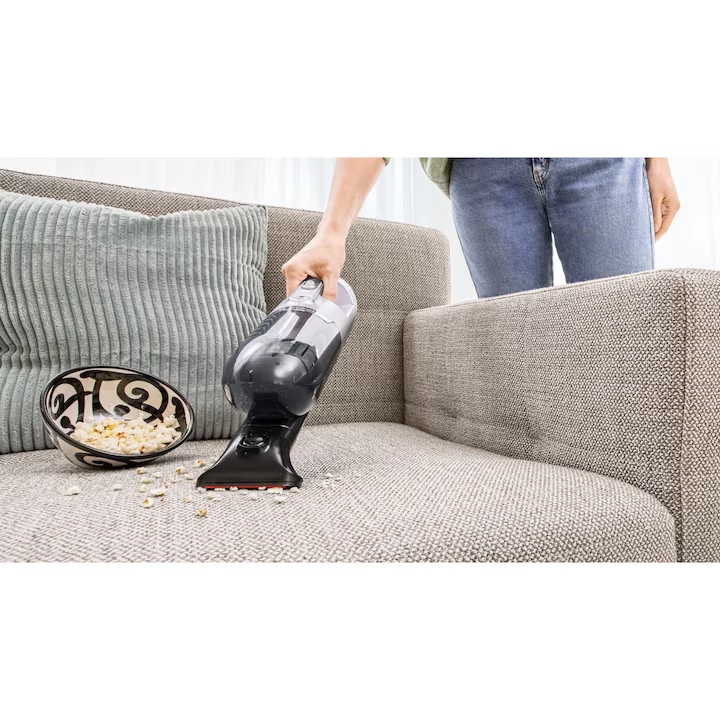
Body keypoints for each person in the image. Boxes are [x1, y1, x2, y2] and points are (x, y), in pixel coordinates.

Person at [281, 158, 680, 301]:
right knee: (518, 358)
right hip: (484, 171)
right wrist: (331, 232)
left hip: (601, 156)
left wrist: (657, 156)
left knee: (625, 340)